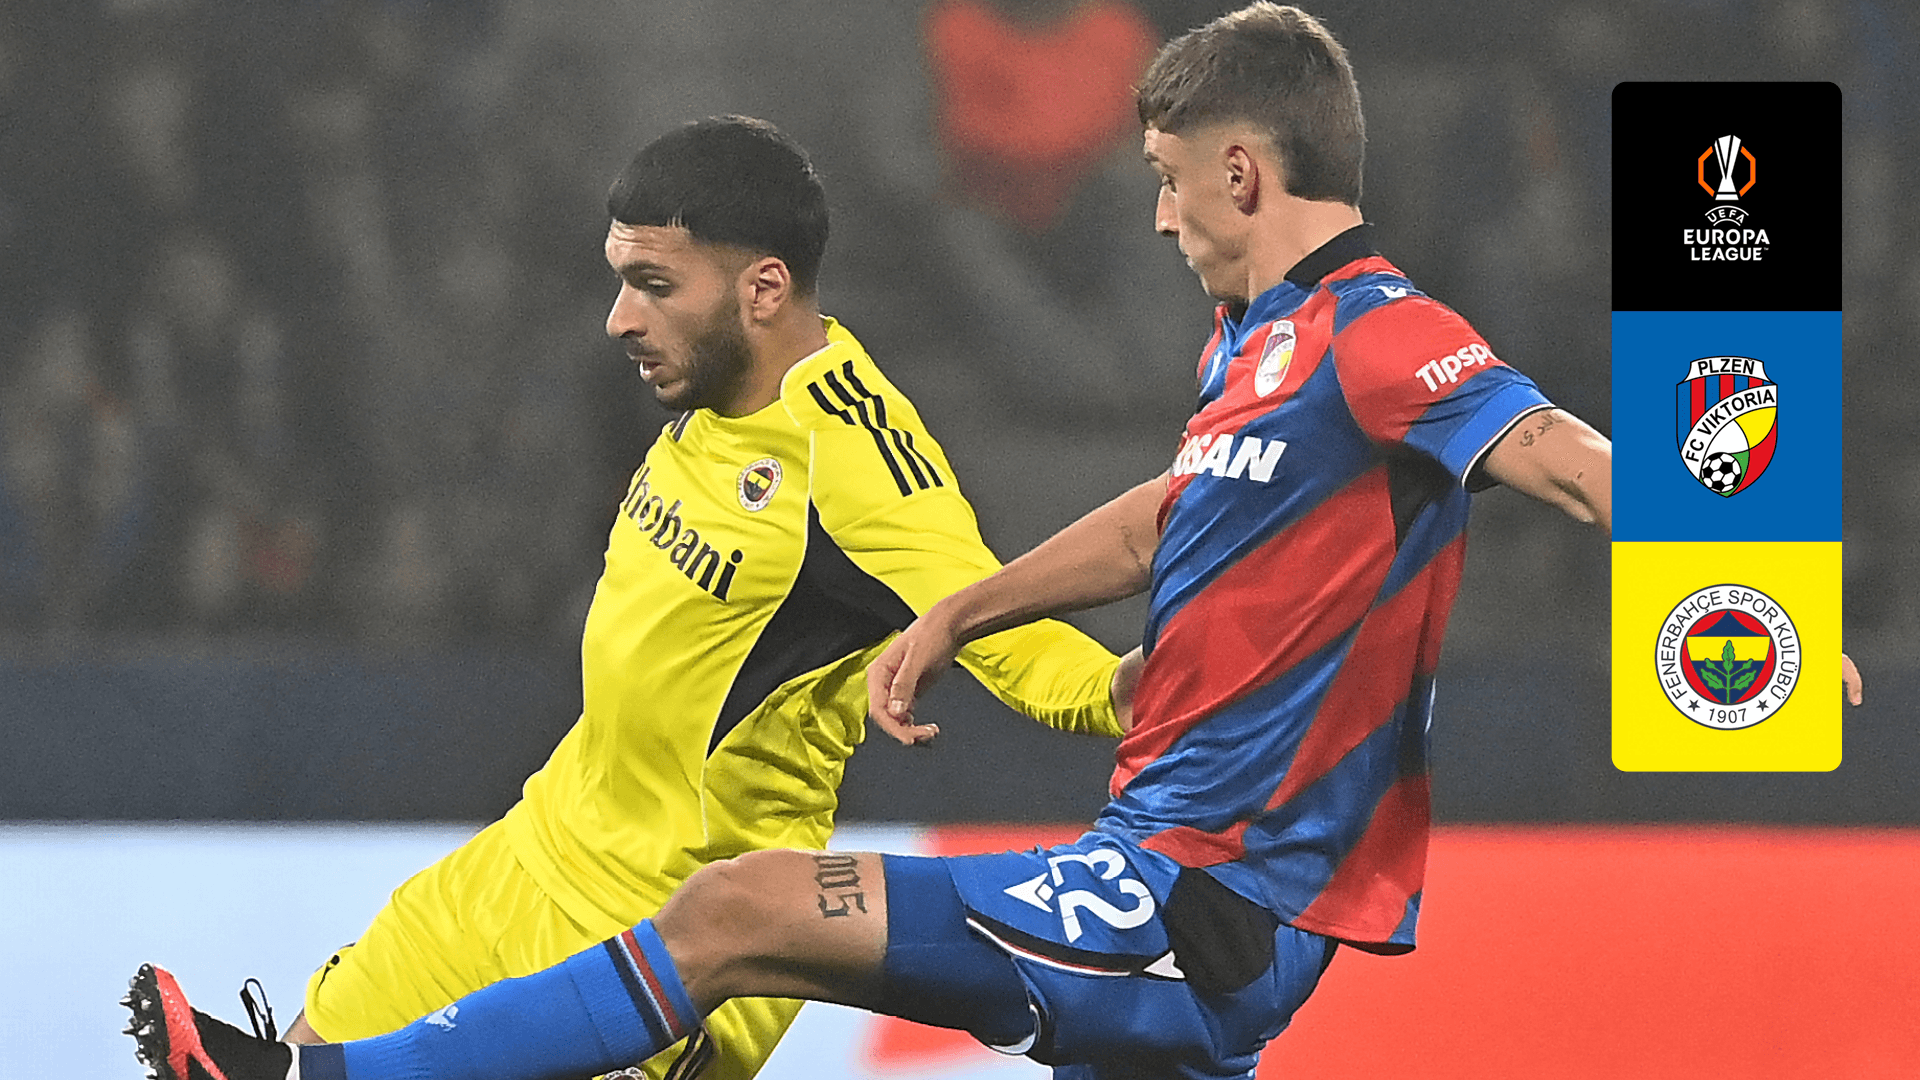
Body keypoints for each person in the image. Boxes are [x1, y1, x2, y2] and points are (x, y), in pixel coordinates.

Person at [125, 6, 1616, 1078]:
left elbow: (1562, 457)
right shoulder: (1253, 347)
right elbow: (1171, 510)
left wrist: (1733, 557)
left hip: (1208, 893)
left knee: (731, 914)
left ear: (1241, 173)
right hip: (1091, 860)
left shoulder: (1376, 333)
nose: (1157, 218)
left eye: (1168, 180)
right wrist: (963, 617)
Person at [126, 114, 1137, 1080]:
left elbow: (1011, 637)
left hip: (669, 938)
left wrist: (1146, 690)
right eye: (621, 280)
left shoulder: (854, 459)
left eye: (654, 285)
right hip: (527, 854)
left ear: (764, 289)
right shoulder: (712, 385)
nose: (620, 318)